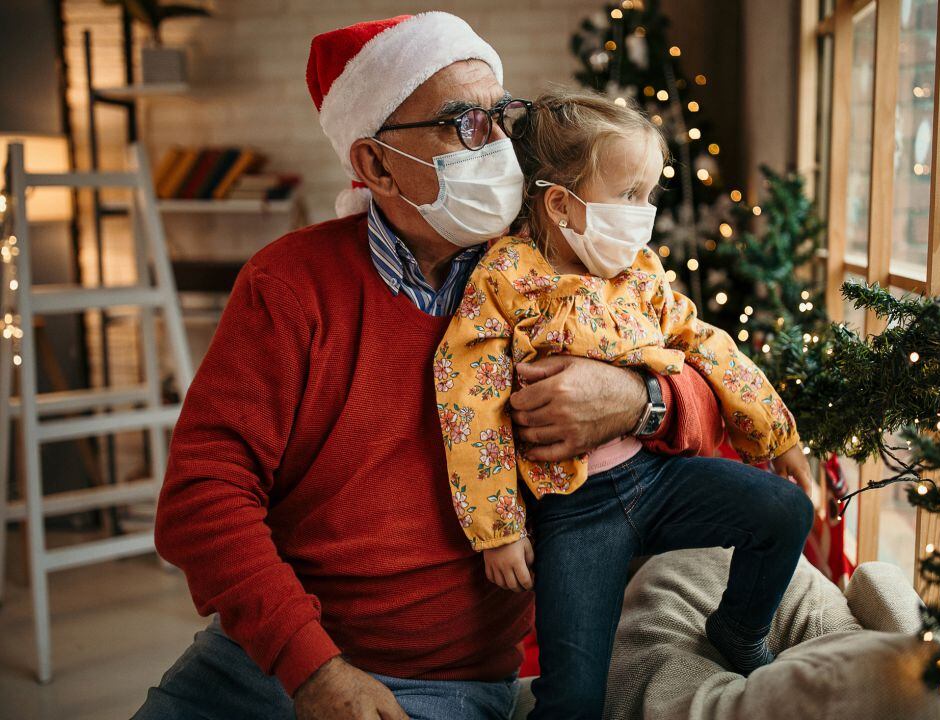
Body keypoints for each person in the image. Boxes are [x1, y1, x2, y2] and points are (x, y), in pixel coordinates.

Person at [134, 14, 731, 720]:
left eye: (502, 117)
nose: (503, 146)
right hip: (272, 662)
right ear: (375, 165)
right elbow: (202, 500)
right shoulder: (289, 286)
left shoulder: (563, 267)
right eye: (464, 124)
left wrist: (640, 401)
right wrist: (314, 669)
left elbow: (716, 380)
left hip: (453, 682)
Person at [434, 91, 815, 720]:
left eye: (650, 195)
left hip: (657, 477)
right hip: (574, 513)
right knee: (576, 697)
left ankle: (738, 631)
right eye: (629, 195)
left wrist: (778, 434)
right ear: (560, 205)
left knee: (783, 512)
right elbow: (469, 402)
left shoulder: (639, 273)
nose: (645, 215)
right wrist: (497, 529)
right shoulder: (505, 281)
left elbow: (707, 346)